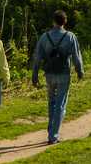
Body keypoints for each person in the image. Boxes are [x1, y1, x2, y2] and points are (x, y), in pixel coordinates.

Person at [30, 10, 84, 144]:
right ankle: (53, 136)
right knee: (61, 104)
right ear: (65, 22)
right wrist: (80, 71)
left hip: (49, 74)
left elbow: (37, 57)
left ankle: (51, 129)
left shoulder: (44, 37)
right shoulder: (70, 36)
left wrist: (34, 74)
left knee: (51, 102)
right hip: (64, 73)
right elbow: (77, 56)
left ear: (53, 21)